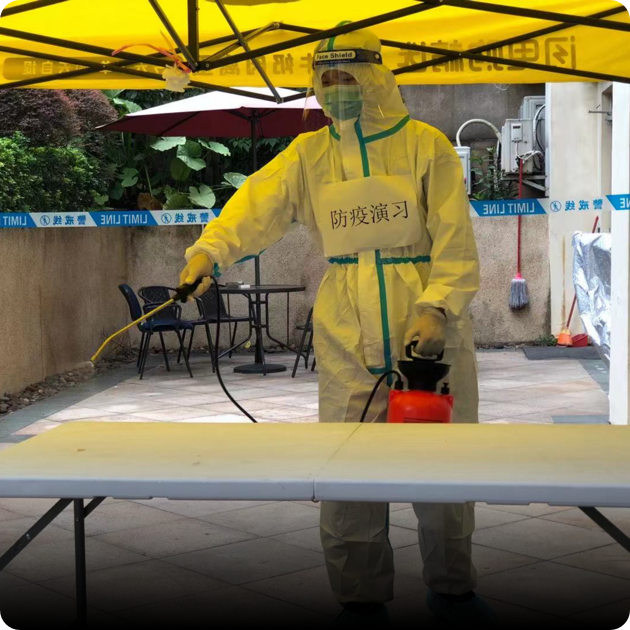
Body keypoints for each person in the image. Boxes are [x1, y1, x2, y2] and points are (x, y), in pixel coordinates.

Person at [180, 26, 497, 626]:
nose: (336, 88)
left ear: (375, 77)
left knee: (443, 463)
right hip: (346, 325)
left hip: (425, 324)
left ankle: (453, 589)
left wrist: (437, 305)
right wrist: (208, 252)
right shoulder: (308, 155)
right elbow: (255, 205)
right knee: (348, 467)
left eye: (347, 76)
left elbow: (455, 237)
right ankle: (360, 598)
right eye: (325, 79)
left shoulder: (425, 146)